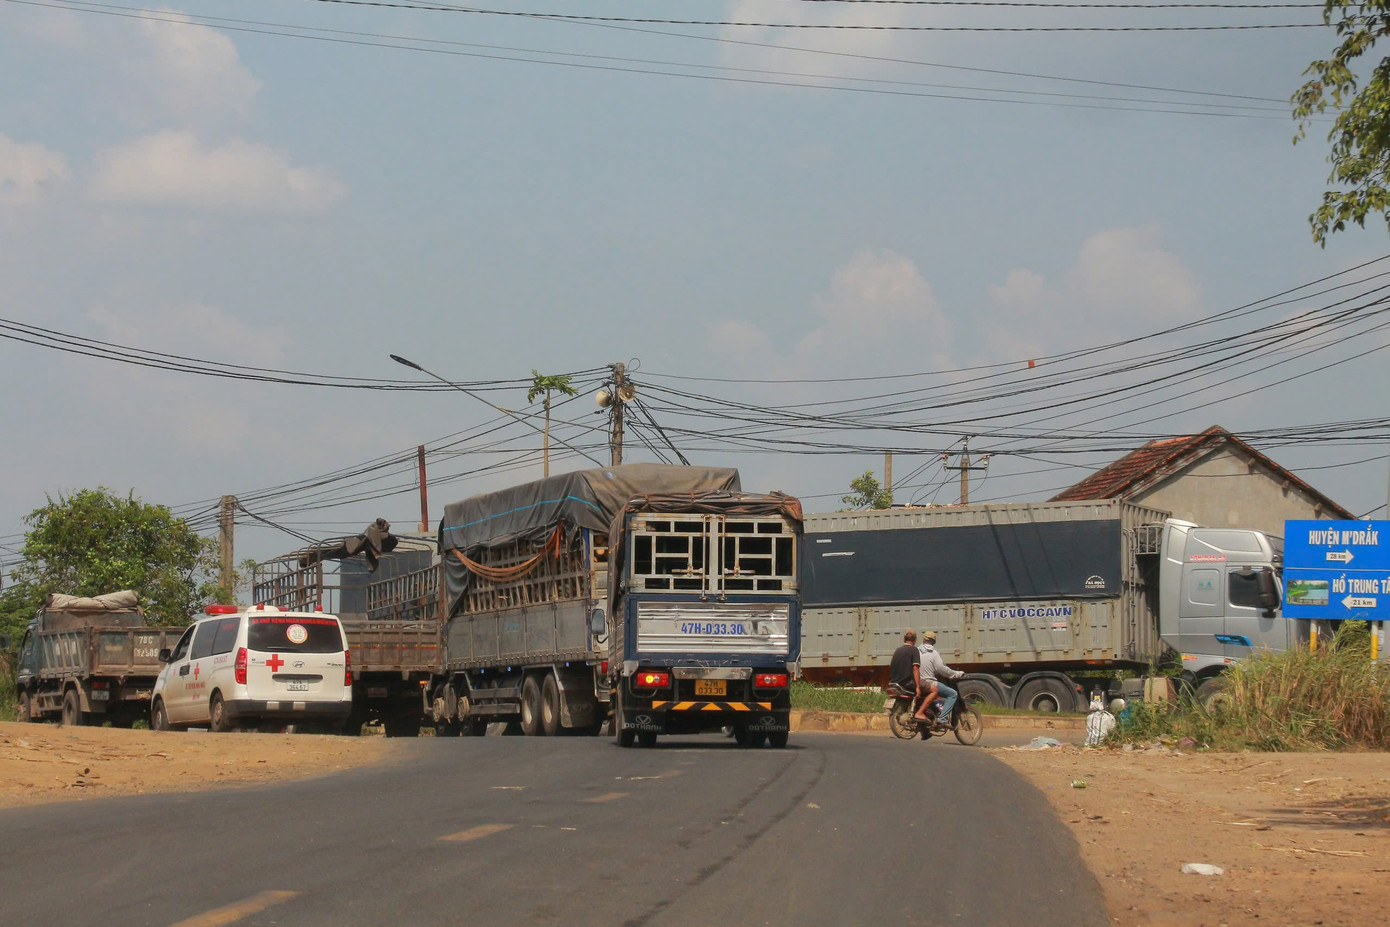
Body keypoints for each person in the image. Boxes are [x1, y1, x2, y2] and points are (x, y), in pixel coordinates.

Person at [914, 630, 963, 731]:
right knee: (953, 694)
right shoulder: (934, 653)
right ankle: (943, 719)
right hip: (929, 683)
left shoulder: (916, 651)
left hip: (916, 682)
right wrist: (956, 674)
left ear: (923, 639)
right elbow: (942, 670)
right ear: (934, 642)